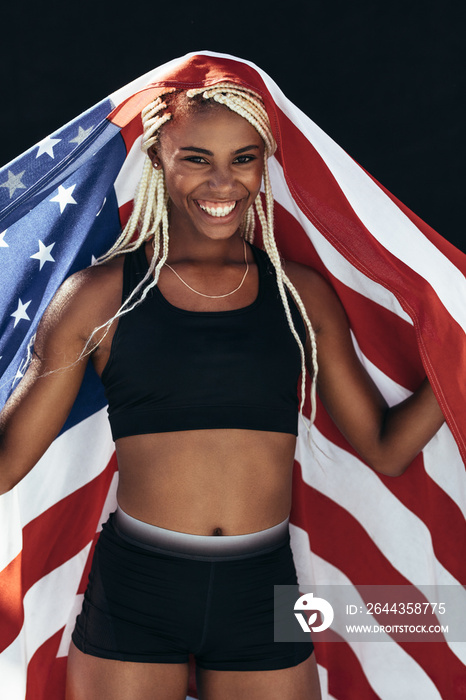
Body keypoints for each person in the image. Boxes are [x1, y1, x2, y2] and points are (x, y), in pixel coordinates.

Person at [0, 67, 446, 700]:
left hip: (262, 592)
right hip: (137, 590)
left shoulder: (300, 295)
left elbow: (385, 446)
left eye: (244, 158)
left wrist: (458, 361)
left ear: (265, 163)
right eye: (196, 158)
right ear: (158, 157)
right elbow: (6, 464)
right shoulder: (101, 298)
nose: (221, 181)